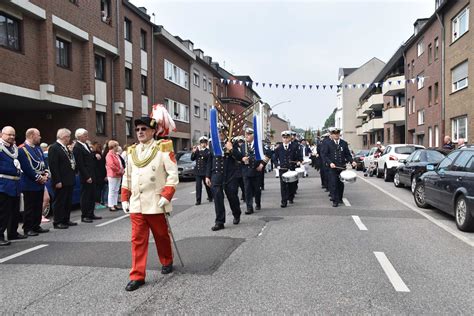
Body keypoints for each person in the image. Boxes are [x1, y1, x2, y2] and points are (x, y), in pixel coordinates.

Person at [121, 116, 179, 292]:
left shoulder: (162, 149)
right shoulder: (132, 152)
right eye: (137, 129)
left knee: (161, 235)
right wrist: (124, 197)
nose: (140, 132)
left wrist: (167, 195)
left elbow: (172, 175)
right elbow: (128, 176)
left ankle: (167, 260)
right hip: (137, 203)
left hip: (155, 202)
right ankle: (137, 275)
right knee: (137, 240)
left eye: (144, 129)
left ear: (153, 131)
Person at [205, 124, 243, 231]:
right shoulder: (212, 143)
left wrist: (231, 149)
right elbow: (210, 160)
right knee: (217, 197)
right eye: (218, 132)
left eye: (222, 132)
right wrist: (207, 175)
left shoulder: (232, 142)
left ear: (226, 132)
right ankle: (219, 221)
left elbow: (240, 157)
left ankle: (236, 213)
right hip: (216, 174)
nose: (220, 134)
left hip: (230, 174)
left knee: (232, 196)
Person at [17, 128, 50, 236]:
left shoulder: (38, 148)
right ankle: (28, 228)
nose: (40, 137)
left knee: (37, 206)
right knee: (30, 207)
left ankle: (36, 225)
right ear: (32, 136)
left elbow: (43, 163)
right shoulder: (22, 149)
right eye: (38, 135)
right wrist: (39, 178)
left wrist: (45, 174)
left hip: (40, 182)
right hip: (29, 183)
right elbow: (26, 168)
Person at [48, 128, 77, 229]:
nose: (69, 139)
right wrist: (57, 180)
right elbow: (53, 166)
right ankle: (58, 221)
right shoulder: (54, 148)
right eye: (68, 136)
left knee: (67, 201)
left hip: (69, 179)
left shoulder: (65, 148)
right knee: (59, 201)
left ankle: (66, 219)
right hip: (61, 180)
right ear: (64, 137)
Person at [0, 126, 24, 245]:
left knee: (14, 211)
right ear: (1, 134)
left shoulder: (14, 148)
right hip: (3, 184)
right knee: (3, 212)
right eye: (9, 134)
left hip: (15, 184)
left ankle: (12, 232)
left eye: (13, 135)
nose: (11, 137)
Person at [321, 128, 356, 207]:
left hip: (342, 167)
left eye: (337, 134)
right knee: (334, 183)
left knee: (340, 184)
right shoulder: (328, 143)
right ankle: (334, 200)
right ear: (332, 135)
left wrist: (352, 161)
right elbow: (325, 155)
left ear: (339, 134)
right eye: (334, 134)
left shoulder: (344, 143)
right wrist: (330, 163)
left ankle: (340, 198)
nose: (336, 135)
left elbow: (347, 154)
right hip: (332, 167)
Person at [73, 128, 102, 223]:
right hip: (86, 176)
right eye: (85, 135)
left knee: (92, 195)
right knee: (85, 196)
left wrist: (94, 155)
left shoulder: (85, 145)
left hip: (92, 173)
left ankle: (91, 213)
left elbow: (88, 157)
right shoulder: (77, 147)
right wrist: (87, 176)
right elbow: (80, 164)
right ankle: (84, 215)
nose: (87, 137)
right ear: (79, 136)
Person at [240, 128, 266, 214]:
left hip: (256, 170)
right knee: (247, 189)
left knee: (257, 189)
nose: (247, 136)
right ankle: (249, 207)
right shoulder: (243, 146)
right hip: (246, 171)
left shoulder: (259, 145)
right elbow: (239, 157)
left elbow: (268, 154)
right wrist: (242, 159)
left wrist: (262, 164)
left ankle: (258, 203)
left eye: (249, 134)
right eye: (246, 134)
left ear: (253, 135)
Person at [273, 131, 299, 208]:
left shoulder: (294, 147)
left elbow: (298, 157)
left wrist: (298, 161)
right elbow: (274, 159)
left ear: (290, 138)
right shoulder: (278, 148)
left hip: (291, 169)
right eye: (284, 138)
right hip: (282, 169)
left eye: (287, 137)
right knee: (283, 185)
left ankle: (291, 197)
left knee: (292, 185)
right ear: (282, 138)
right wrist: (277, 165)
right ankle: (283, 201)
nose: (285, 139)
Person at [191, 136, 213, 205]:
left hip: (205, 171)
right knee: (198, 186)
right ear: (200, 143)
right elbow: (192, 159)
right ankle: (198, 200)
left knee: (207, 185)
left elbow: (209, 164)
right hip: (198, 171)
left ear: (206, 143)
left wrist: (207, 175)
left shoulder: (208, 151)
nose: (203, 144)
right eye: (202, 143)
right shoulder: (197, 150)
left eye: (204, 143)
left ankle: (210, 196)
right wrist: (193, 152)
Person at [106, 140, 124, 211]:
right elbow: (111, 165)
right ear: (113, 146)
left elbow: (120, 163)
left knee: (116, 190)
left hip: (118, 174)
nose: (118, 147)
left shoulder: (116, 154)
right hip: (113, 175)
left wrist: (122, 170)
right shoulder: (109, 155)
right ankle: (111, 205)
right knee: (112, 190)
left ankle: (115, 204)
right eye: (117, 145)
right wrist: (119, 170)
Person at [92, 141, 107, 210]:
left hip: (98, 174)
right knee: (98, 189)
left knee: (99, 189)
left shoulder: (96, 154)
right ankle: (97, 203)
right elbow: (101, 166)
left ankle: (98, 202)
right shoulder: (96, 154)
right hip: (99, 175)